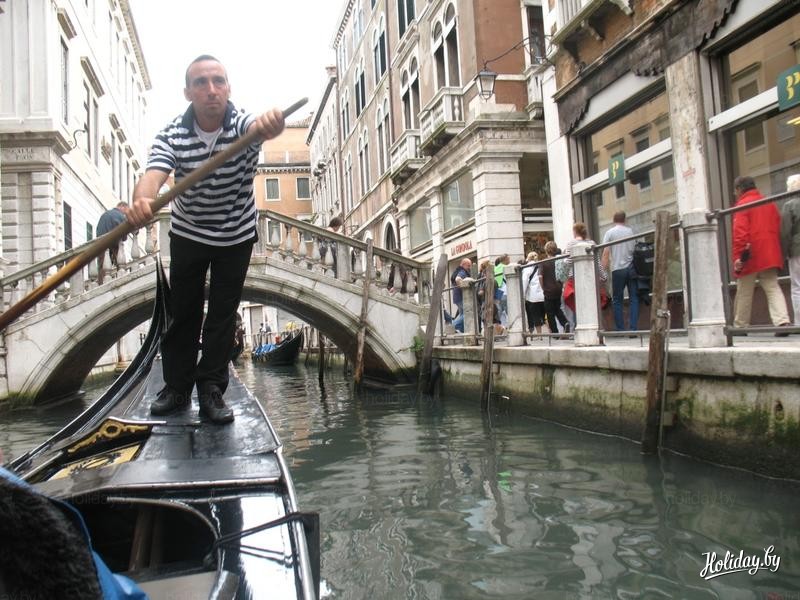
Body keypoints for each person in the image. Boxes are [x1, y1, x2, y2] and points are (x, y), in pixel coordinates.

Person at [126, 54, 286, 424]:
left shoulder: (243, 125)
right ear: (188, 93)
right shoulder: (172, 134)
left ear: (228, 89)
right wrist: (141, 201)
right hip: (189, 233)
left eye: (218, 81)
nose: (211, 89)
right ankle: (177, 388)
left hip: (236, 234)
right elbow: (153, 176)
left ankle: (211, 388)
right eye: (201, 82)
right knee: (184, 312)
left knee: (222, 316)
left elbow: (262, 127)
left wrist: (271, 124)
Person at [730, 176, 790, 334]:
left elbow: (740, 233)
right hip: (769, 252)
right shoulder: (769, 202)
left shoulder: (742, 205)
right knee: (772, 287)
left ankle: (740, 326)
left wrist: (738, 257)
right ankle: (782, 321)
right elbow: (778, 226)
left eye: (735, 190)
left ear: (739, 189)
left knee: (744, 291)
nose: (735, 194)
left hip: (750, 254)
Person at [601, 211, 639, 331]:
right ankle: (633, 328)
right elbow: (635, 249)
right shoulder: (631, 231)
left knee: (617, 300)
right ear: (625, 219)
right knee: (634, 298)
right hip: (631, 269)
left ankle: (620, 328)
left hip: (617, 269)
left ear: (614, 220)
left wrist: (601, 272)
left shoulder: (610, 233)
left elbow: (606, 253)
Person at [781, 174, 800, 326]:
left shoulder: (789, 205)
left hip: (796, 249)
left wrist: (783, 253)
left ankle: (799, 322)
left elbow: (785, 232)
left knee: (797, 286)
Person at [540, 241, 570, 335]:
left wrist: (543, 288)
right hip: (558, 288)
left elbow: (540, 277)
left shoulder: (543, 262)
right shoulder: (559, 261)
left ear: (546, 250)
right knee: (557, 308)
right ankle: (565, 322)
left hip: (548, 289)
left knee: (550, 312)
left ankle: (555, 333)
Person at [96, 201, 129, 284]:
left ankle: (101, 283)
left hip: (101, 244)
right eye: (126, 211)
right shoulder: (120, 216)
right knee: (120, 264)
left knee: (102, 266)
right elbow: (124, 236)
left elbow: (98, 230)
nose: (125, 214)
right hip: (114, 243)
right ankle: (122, 280)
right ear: (123, 207)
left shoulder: (104, 215)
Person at [521, 252, 545, 335]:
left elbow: (524, 281)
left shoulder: (527, 268)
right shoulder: (541, 266)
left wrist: (522, 295)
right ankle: (551, 333)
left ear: (528, 258)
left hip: (532, 296)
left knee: (535, 315)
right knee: (544, 315)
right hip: (543, 294)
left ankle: (539, 334)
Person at [450, 257, 472, 332]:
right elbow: (458, 279)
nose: (469, 267)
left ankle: (462, 331)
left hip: (457, 297)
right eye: (468, 265)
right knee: (467, 313)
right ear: (463, 264)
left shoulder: (458, 271)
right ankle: (452, 326)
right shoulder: (462, 271)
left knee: (462, 314)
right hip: (461, 297)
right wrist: (463, 287)